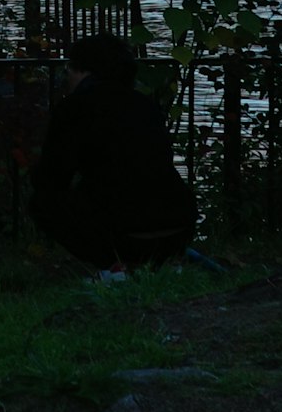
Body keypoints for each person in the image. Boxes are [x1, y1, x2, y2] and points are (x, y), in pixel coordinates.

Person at [28, 32, 195, 281]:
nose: (67, 77)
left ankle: (112, 265)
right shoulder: (145, 104)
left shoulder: (75, 108)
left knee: (43, 203)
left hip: (123, 230)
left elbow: (52, 177)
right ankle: (157, 262)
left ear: (84, 71)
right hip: (178, 223)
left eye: (69, 69)